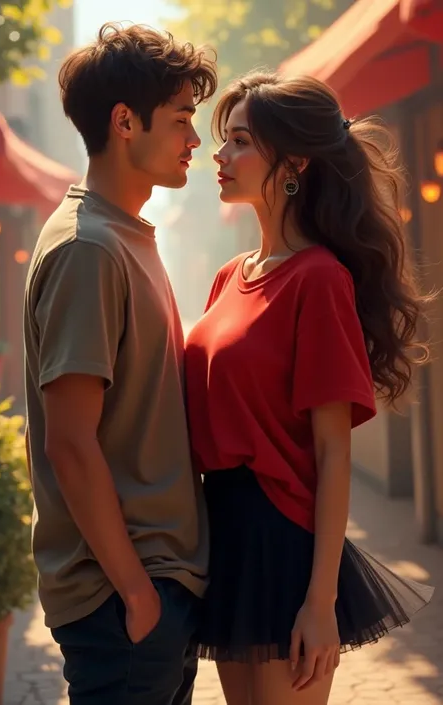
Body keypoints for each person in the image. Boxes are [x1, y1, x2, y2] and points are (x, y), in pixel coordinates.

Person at [184, 71, 434, 705]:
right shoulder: (227, 277)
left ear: (292, 162)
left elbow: (332, 453)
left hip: (283, 541)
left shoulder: (318, 279)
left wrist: (319, 602)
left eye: (239, 141)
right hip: (226, 533)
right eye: (224, 140)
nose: (220, 154)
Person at [23, 23, 217, 705]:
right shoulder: (90, 249)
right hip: (123, 598)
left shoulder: (125, 234)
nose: (196, 139)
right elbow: (69, 441)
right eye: (183, 119)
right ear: (125, 121)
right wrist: (138, 593)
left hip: (152, 588)